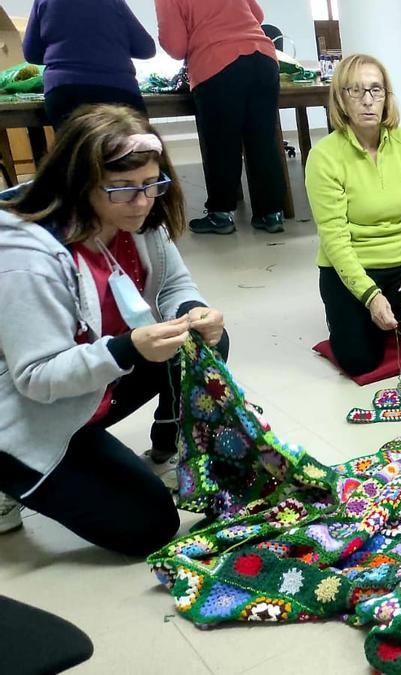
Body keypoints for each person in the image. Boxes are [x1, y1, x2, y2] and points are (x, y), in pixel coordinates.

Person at [0, 105, 229, 556]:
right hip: (25, 413)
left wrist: (194, 310)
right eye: (123, 189)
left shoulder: (137, 216)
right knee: (149, 526)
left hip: (88, 385)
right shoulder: (28, 257)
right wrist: (128, 349)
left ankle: (168, 444)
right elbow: (36, 377)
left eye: (152, 183)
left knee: (202, 343)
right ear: (80, 184)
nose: (143, 201)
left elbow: (175, 286)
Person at [305, 54, 401, 377]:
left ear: (387, 97)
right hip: (350, 270)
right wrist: (370, 295)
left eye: (376, 90)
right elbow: (334, 239)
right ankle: (357, 312)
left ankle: (394, 307)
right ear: (340, 99)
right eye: (355, 91)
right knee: (361, 361)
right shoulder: (324, 157)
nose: (368, 101)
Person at [154, 0, 287, 235]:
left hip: (217, 63)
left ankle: (221, 214)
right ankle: (271, 213)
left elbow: (175, 47)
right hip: (263, 58)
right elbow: (257, 14)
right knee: (263, 139)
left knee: (222, 143)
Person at [22, 0, 155, 128]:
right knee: (135, 146)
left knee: (77, 149)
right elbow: (146, 49)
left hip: (63, 91)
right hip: (117, 89)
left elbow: (31, 53)